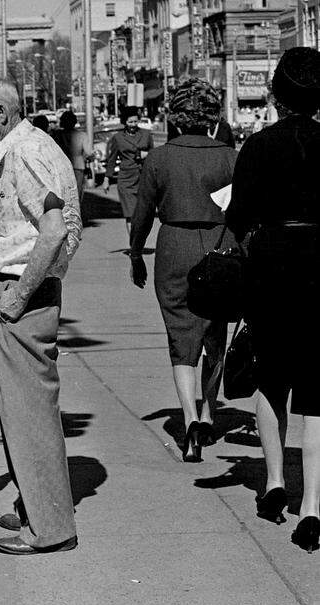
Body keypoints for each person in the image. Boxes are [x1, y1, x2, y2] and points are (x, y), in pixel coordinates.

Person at [0, 74, 82, 556]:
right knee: (20, 409)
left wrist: (17, 296)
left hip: (22, 289)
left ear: (2, 114)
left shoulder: (25, 153)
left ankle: (50, 525)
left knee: (29, 412)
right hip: (22, 285)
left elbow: (52, 230)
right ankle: (37, 505)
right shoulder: (27, 147)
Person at [226, 47, 320, 551]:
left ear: (278, 94)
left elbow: (238, 216)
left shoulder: (260, 146)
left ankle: (275, 483)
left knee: (272, 377)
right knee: (318, 395)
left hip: (273, 269)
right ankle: (313, 509)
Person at [128, 78, 237, 463]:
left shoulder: (159, 159)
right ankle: (208, 413)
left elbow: (141, 215)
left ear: (175, 116)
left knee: (180, 336)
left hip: (172, 247)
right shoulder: (229, 156)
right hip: (220, 247)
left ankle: (188, 419)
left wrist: (137, 253)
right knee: (215, 334)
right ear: (211, 117)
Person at [105, 106, 154, 235]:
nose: (133, 125)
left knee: (142, 214)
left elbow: (154, 155)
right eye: (130, 122)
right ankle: (134, 246)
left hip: (144, 178)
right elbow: (112, 159)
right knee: (130, 213)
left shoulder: (146, 135)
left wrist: (146, 154)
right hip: (126, 180)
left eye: (135, 121)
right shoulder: (118, 138)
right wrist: (107, 179)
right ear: (124, 122)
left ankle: (138, 242)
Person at [53, 110, 90, 217]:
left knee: (63, 193)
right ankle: (75, 216)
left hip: (61, 167)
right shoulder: (82, 135)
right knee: (77, 194)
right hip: (78, 166)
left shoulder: (57, 134)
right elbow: (88, 153)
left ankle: (65, 215)